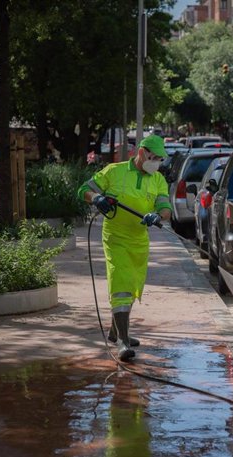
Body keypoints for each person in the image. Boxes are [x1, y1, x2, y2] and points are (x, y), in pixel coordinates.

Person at [77, 134, 172, 361]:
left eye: (160, 159)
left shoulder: (158, 179)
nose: (157, 162)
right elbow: (83, 190)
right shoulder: (114, 171)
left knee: (131, 285)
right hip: (115, 237)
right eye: (154, 157)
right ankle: (122, 341)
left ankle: (115, 331)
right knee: (120, 283)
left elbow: (166, 209)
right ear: (141, 153)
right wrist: (97, 198)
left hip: (139, 240)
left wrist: (157, 215)